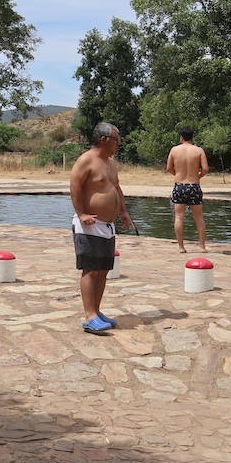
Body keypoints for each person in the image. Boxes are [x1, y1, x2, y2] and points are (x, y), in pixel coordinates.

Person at [69, 122, 132, 335]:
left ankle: (97, 311)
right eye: (117, 139)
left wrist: (123, 211)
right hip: (90, 225)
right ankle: (89, 316)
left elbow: (116, 187)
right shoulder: (86, 160)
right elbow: (75, 187)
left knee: (103, 270)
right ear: (104, 139)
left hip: (107, 225)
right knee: (90, 269)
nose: (119, 143)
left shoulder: (110, 163)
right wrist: (82, 214)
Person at [166, 126, 210, 253]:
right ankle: (202, 246)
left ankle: (181, 247)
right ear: (192, 137)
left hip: (179, 186)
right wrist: (198, 176)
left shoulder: (174, 150)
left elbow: (168, 168)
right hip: (194, 185)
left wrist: (177, 175)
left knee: (179, 217)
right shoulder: (199, 150)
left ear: (181, 137)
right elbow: (205, 169)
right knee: (199, 217)